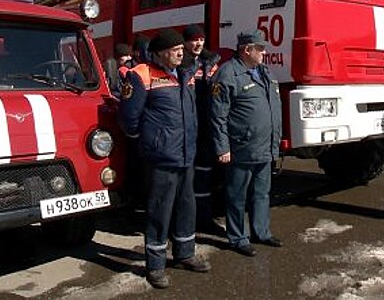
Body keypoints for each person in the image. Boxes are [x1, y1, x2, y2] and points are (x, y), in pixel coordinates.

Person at [119, 29, 210, 289]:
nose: (182, 52)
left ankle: (185, 253)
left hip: (186, 154)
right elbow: (129, 118)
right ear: (160, 53)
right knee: (159, 210)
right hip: (161, 156)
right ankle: (156, 265)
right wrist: (148, 140)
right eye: (175, 49)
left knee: (186, 206)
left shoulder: (186, 74)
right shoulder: (141, 75)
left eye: (182, 48)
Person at [209, 30, 283, 257]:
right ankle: (237, 237)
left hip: (264, 146)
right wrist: (222, 147)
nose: (264, 51)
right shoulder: (228, 74)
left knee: (262, 192)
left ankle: (261, 232)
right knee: (237, 195)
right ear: (246, 50)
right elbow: (218, 115)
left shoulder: (263, 72)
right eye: (260, 48)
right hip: (242, 147)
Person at [181, 24, 223, 234]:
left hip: (206, 128)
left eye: (201, 39)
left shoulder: (211, 63)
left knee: (205, 177)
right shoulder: (179, 64)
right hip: (185, 130)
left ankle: (205, 219)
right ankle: (184, 223)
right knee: (186, 181)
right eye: (193, 40)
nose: (198, 43)